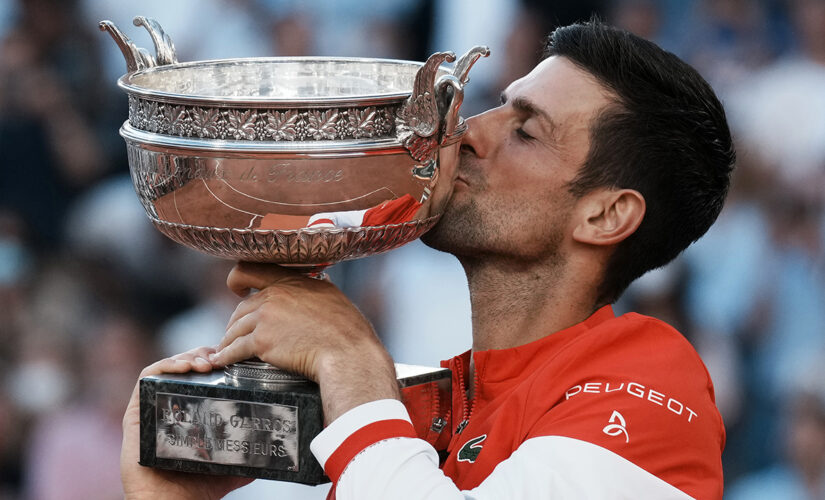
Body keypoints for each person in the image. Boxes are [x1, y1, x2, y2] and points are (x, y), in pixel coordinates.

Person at [121, 21, 735, 499]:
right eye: (499, 104)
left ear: (605, 215)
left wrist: (350, 358)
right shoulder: (426, 403)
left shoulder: (651, 388)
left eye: (526, 131)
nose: (467, 131)